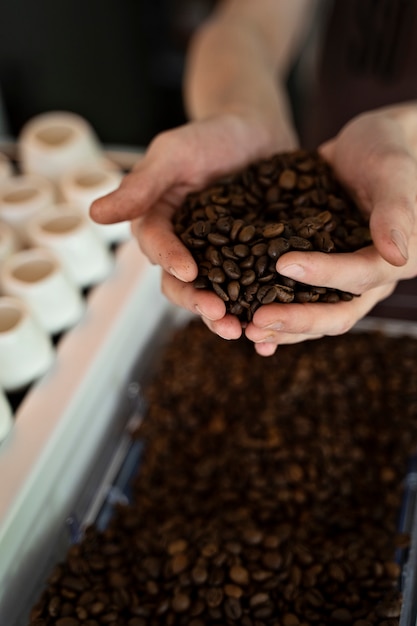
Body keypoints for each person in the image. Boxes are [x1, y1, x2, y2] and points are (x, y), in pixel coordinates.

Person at [90, 0, 417, 356]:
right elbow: (249, 23)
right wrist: (242, 109)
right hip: (352, 178)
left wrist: (403, 139)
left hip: (381, 192)